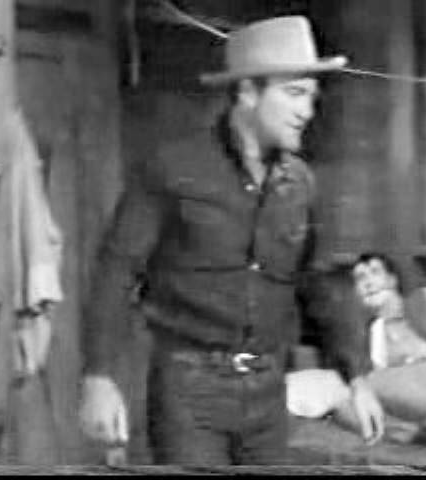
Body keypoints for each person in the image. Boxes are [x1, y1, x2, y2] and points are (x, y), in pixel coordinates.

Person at [78, 16, 383, 465]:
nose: (307, 111)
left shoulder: (299, 184)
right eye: (294, 93)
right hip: (189, 390)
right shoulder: (174, 169)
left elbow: (322, 283)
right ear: (246, 92)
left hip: (267, 390)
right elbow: (116, 269)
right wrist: (99, 376)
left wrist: (357, 376)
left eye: (311, 97)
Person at [286, 252, 426, 444]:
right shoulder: (368, 335)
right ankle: (410, 432)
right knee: (344, 403)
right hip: (416, 402)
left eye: (375, 272)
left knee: (369, 383)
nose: (368, 282)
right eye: (360, 278)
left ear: (393, 280)